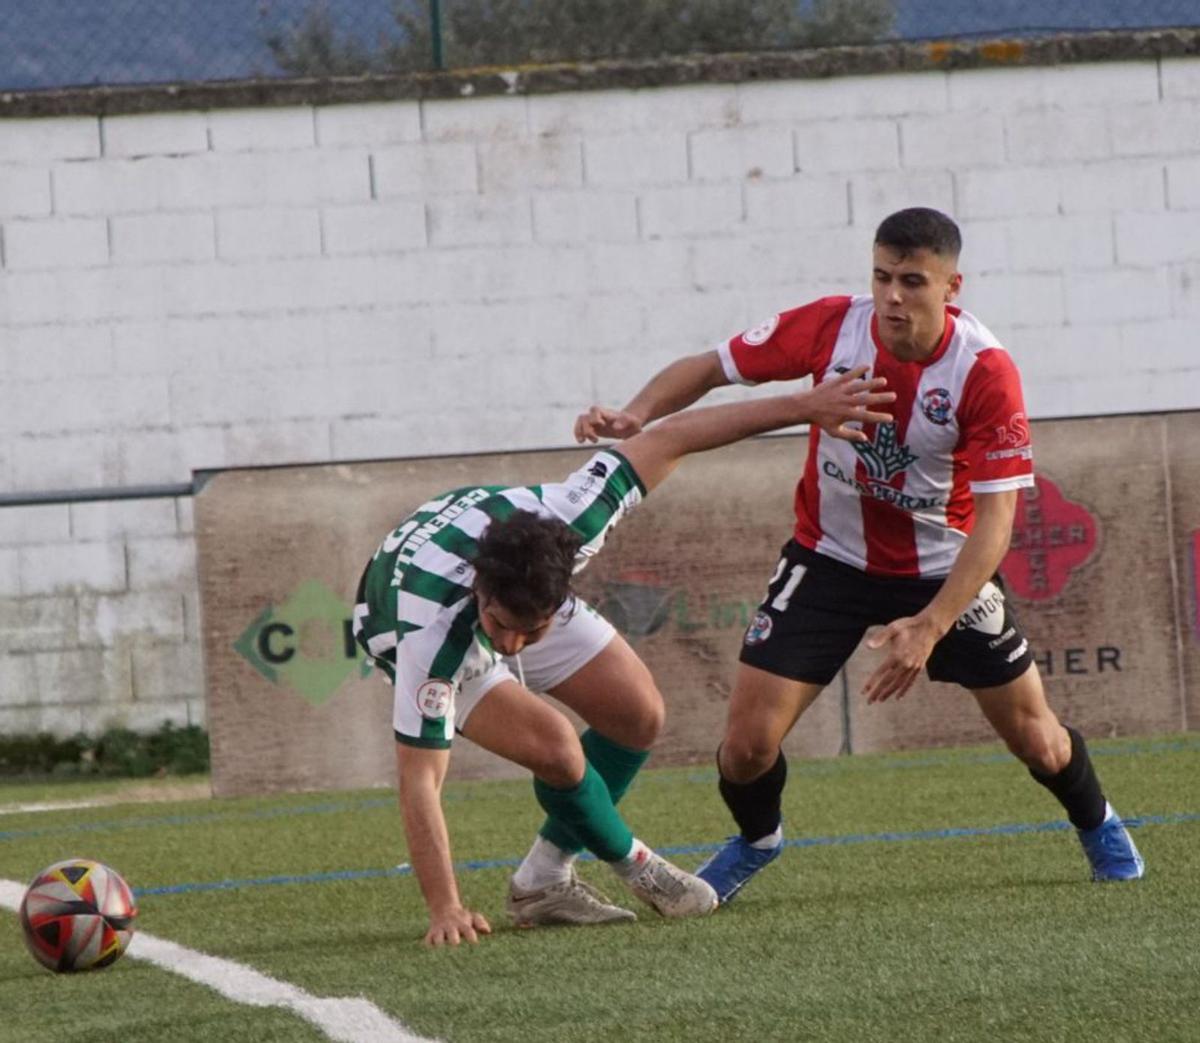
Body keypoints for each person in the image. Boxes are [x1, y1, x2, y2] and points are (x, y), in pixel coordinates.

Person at [574, 207, 1145, 904]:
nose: (892, 296)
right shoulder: (831, 327)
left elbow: (998, 521)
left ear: (950, 287)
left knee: (1039, 741)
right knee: (745, 747)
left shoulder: (984, 371)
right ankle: (758, 838)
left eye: (912, 281)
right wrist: (639, 412)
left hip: (944, 568)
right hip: (829, 558)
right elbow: (711, 366)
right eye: (881, 277)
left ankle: (1099, 822)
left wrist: (932, 623)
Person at [353, 369, 895, 945]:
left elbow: (675, 436)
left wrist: (806, 405)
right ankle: (642, 867)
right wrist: (447, 909)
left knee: (638, 714)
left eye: (530, 633)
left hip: (498, 572)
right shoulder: (429, 637)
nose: (512, 647)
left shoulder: (574, 514)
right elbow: (419, 781)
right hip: (395, 611)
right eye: (503, 628)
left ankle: (541, 881)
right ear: (483, 594)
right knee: (557, 748)